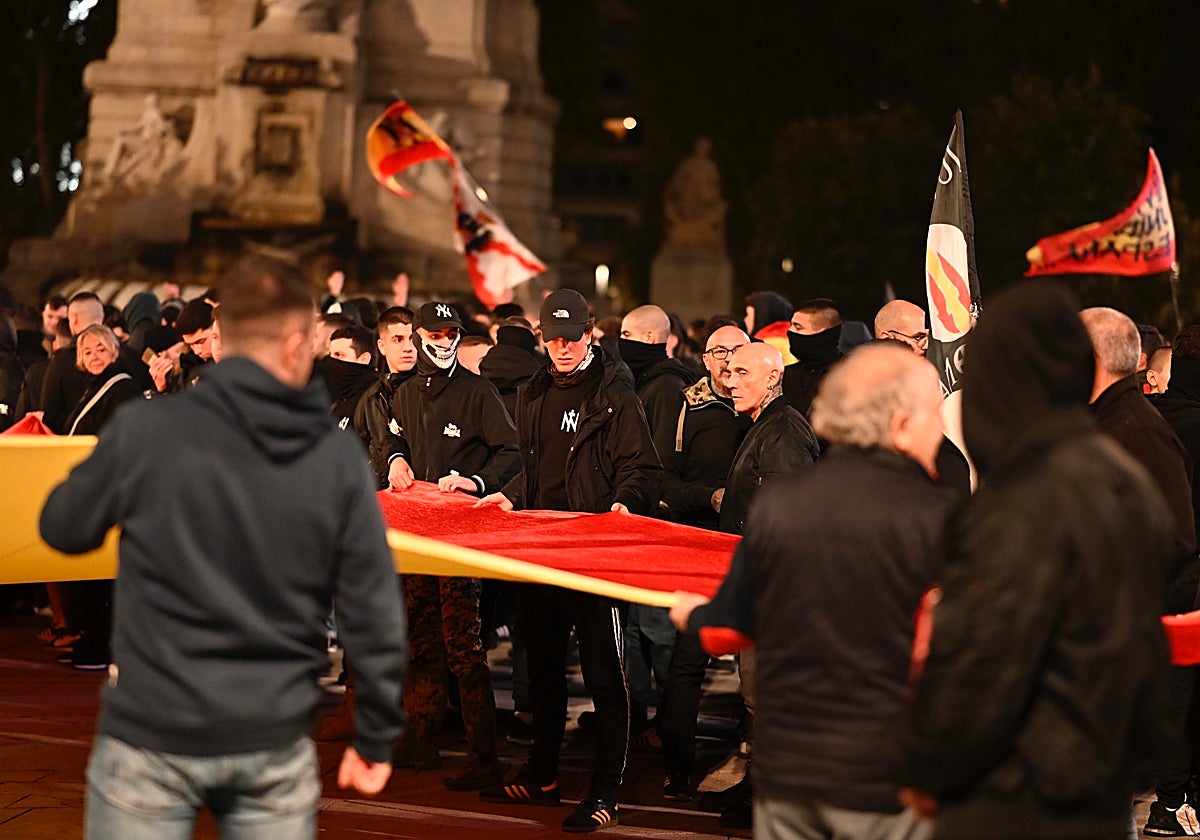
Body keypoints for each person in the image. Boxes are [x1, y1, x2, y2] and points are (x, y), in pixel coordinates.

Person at [40, 255, 408, 838]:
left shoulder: (147, 429)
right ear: (296, 345)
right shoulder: (332, 456)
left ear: (222, 337)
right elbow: (373, 604)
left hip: (151, 725)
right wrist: (377, 731)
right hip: (269, 732)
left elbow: (63, 526)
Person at [892, 282, 1175, 840]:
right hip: (1095, 778)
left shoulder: (1026, 496)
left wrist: (922, 761)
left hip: (1015, 790)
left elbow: (985, 659)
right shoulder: (1119, 475)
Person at [670, 343, 955, 840]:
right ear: (901, 423)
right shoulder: (935, 517)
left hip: (790, 770)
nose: (941, 428)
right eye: (935, 412)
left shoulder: (783, 502)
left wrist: (691, 614)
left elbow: (727, 627)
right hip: (882, 772)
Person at [476, 288, 661, 833]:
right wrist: (509, 494)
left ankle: (606, 792)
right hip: (542, 551)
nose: (562, 347)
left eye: (572, 337)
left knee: (605, 678)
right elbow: (536, 468)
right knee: (542, 671)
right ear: (541, 337)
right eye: (552, 337)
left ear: (590, 334)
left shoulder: (615, 392)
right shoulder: (533, 390)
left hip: (594, 554)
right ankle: (542, 775)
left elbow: (641, 467)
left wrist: (623, 504)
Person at [389, 301, 519, 791]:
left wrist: (475, 482)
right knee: (419, 637)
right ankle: (420, 739)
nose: (444, 342)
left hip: (462, 538)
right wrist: (396, 458)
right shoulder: (404, 393)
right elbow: (393, 439)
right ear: (419, 336)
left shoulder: (478, 391)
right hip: (417, 535)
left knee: (463, 644)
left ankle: (482, 754)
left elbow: (512, 452)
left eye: (451, 334)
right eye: (435, 334)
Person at [656, 323, 751, 802]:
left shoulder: (765, 408)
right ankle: (677, 765)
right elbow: (664, 481)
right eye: (718, 351)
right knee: (688, 657)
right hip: (700, 543)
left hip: (752, 546)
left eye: (737, 350)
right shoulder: (685, 406)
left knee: (755, 661)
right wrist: (709, 497)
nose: (727, 360)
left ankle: (755, 760)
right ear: (705, 358)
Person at [617, 304, 697, 739]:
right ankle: (638, 715)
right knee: (635, 628)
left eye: (628, 334)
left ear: (651, 338)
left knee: (656, 629)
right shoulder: (646, 381)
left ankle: (668, 723)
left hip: (655, 523)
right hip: (640, 521)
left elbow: (658, 458)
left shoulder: (664, 388)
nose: (621, 341)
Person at [781, 298, 843, 416]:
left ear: (823, 334)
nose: (790, 332)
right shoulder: (786, 376)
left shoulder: (845, 377)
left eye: (798, 327)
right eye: (791, 325)